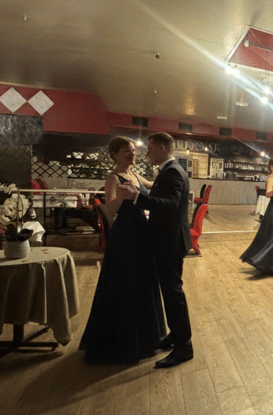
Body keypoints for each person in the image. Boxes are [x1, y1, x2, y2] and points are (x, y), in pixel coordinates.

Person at [79, 136, 166, 364]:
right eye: (127, 151)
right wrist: (120, 197)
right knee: (125, 283)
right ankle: (125, 341)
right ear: (115, 154)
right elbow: (107, 209)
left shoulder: (136, 176)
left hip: (142, 234)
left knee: (143, 282)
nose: (132, 154)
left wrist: (170, 169)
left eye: (133, 151)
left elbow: (156, 184)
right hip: (125, 236)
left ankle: (146, 336)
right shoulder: (112, 178)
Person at [118, 132, 193, 368]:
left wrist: (137, 197)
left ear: (161, 149)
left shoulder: (172, 172)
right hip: (167, 240)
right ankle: (176, 335)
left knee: (173, 294)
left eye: (149, 148)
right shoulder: (169, 170)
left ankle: (184, 347)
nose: (146, 153)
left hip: (169, 241)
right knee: (171, 292)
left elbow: (170, 206)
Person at [240, 157, 273, 274]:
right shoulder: (271, 179)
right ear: (271, 167)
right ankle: (266, 262)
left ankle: (271, 262)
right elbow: (267, 194)